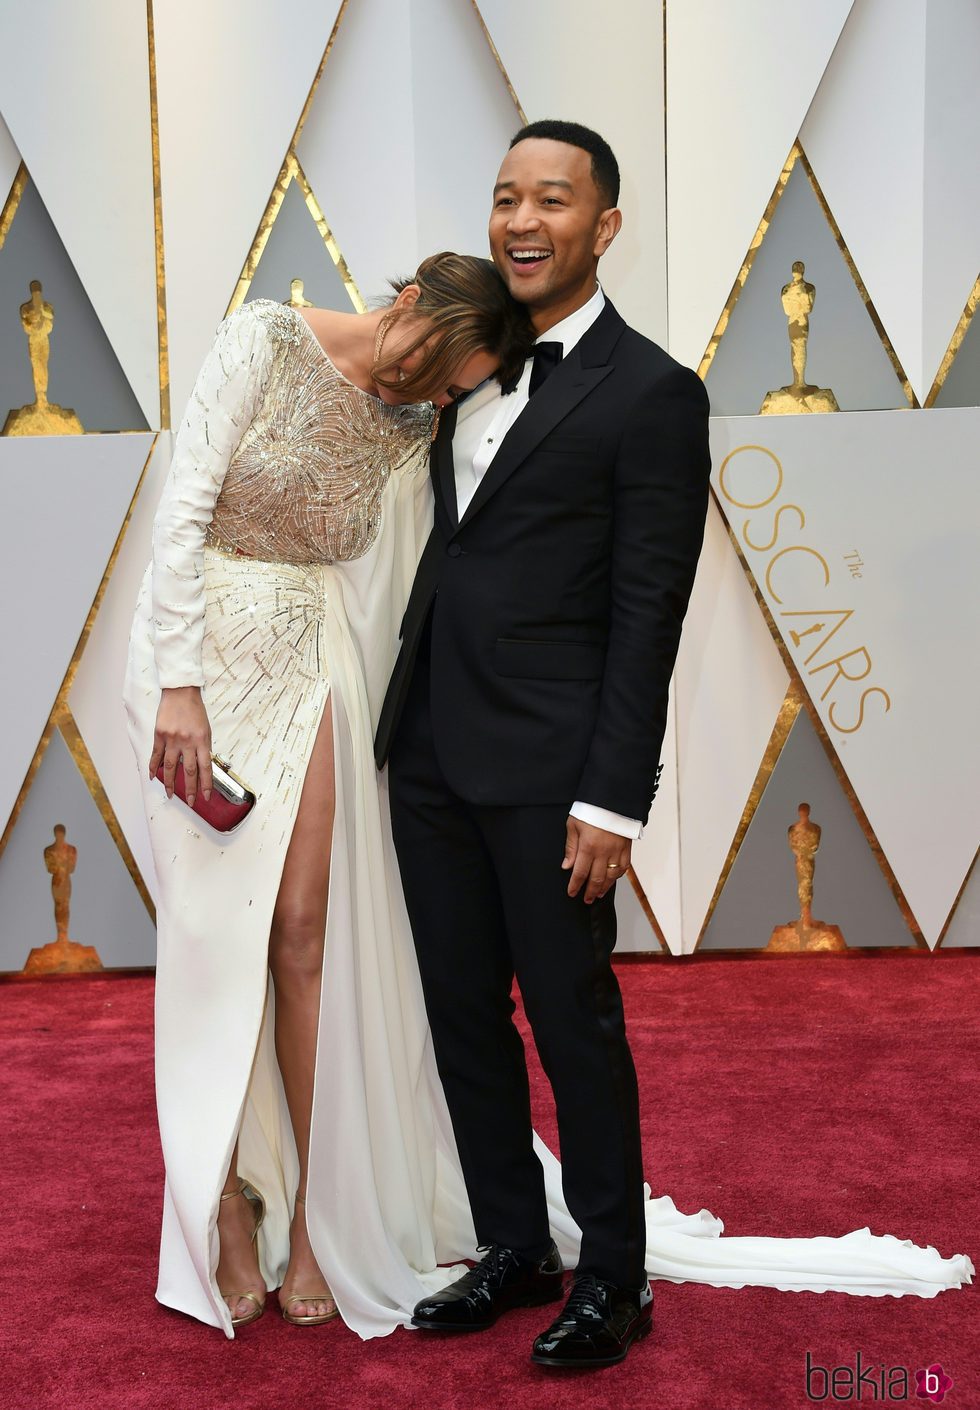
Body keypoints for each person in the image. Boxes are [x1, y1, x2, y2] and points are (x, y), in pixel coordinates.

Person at [376, 121, 974, 1368]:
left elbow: (648, 611)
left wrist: (612, 799)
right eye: (502, 197)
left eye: (551, 200)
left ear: (604, 227)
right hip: (427, 749)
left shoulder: (651, 391)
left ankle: (613, 1278)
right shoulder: (464, 367)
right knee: (458, 1017)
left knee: (570, 1017)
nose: (520, 221)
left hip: (552, 773)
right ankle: (510, 1244)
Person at [124, 253, 533, 1335]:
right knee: (214, 938)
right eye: (438, 365)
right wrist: (177, 685)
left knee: (301, 933)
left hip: (311, 669)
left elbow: (397, 582)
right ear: (410, 304)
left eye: (455, 389)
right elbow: (181, 514)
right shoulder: (261, 336)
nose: (433, 394)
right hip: (192, 671)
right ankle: (217, 1198)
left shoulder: (413, 432)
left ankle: (314, 1217)